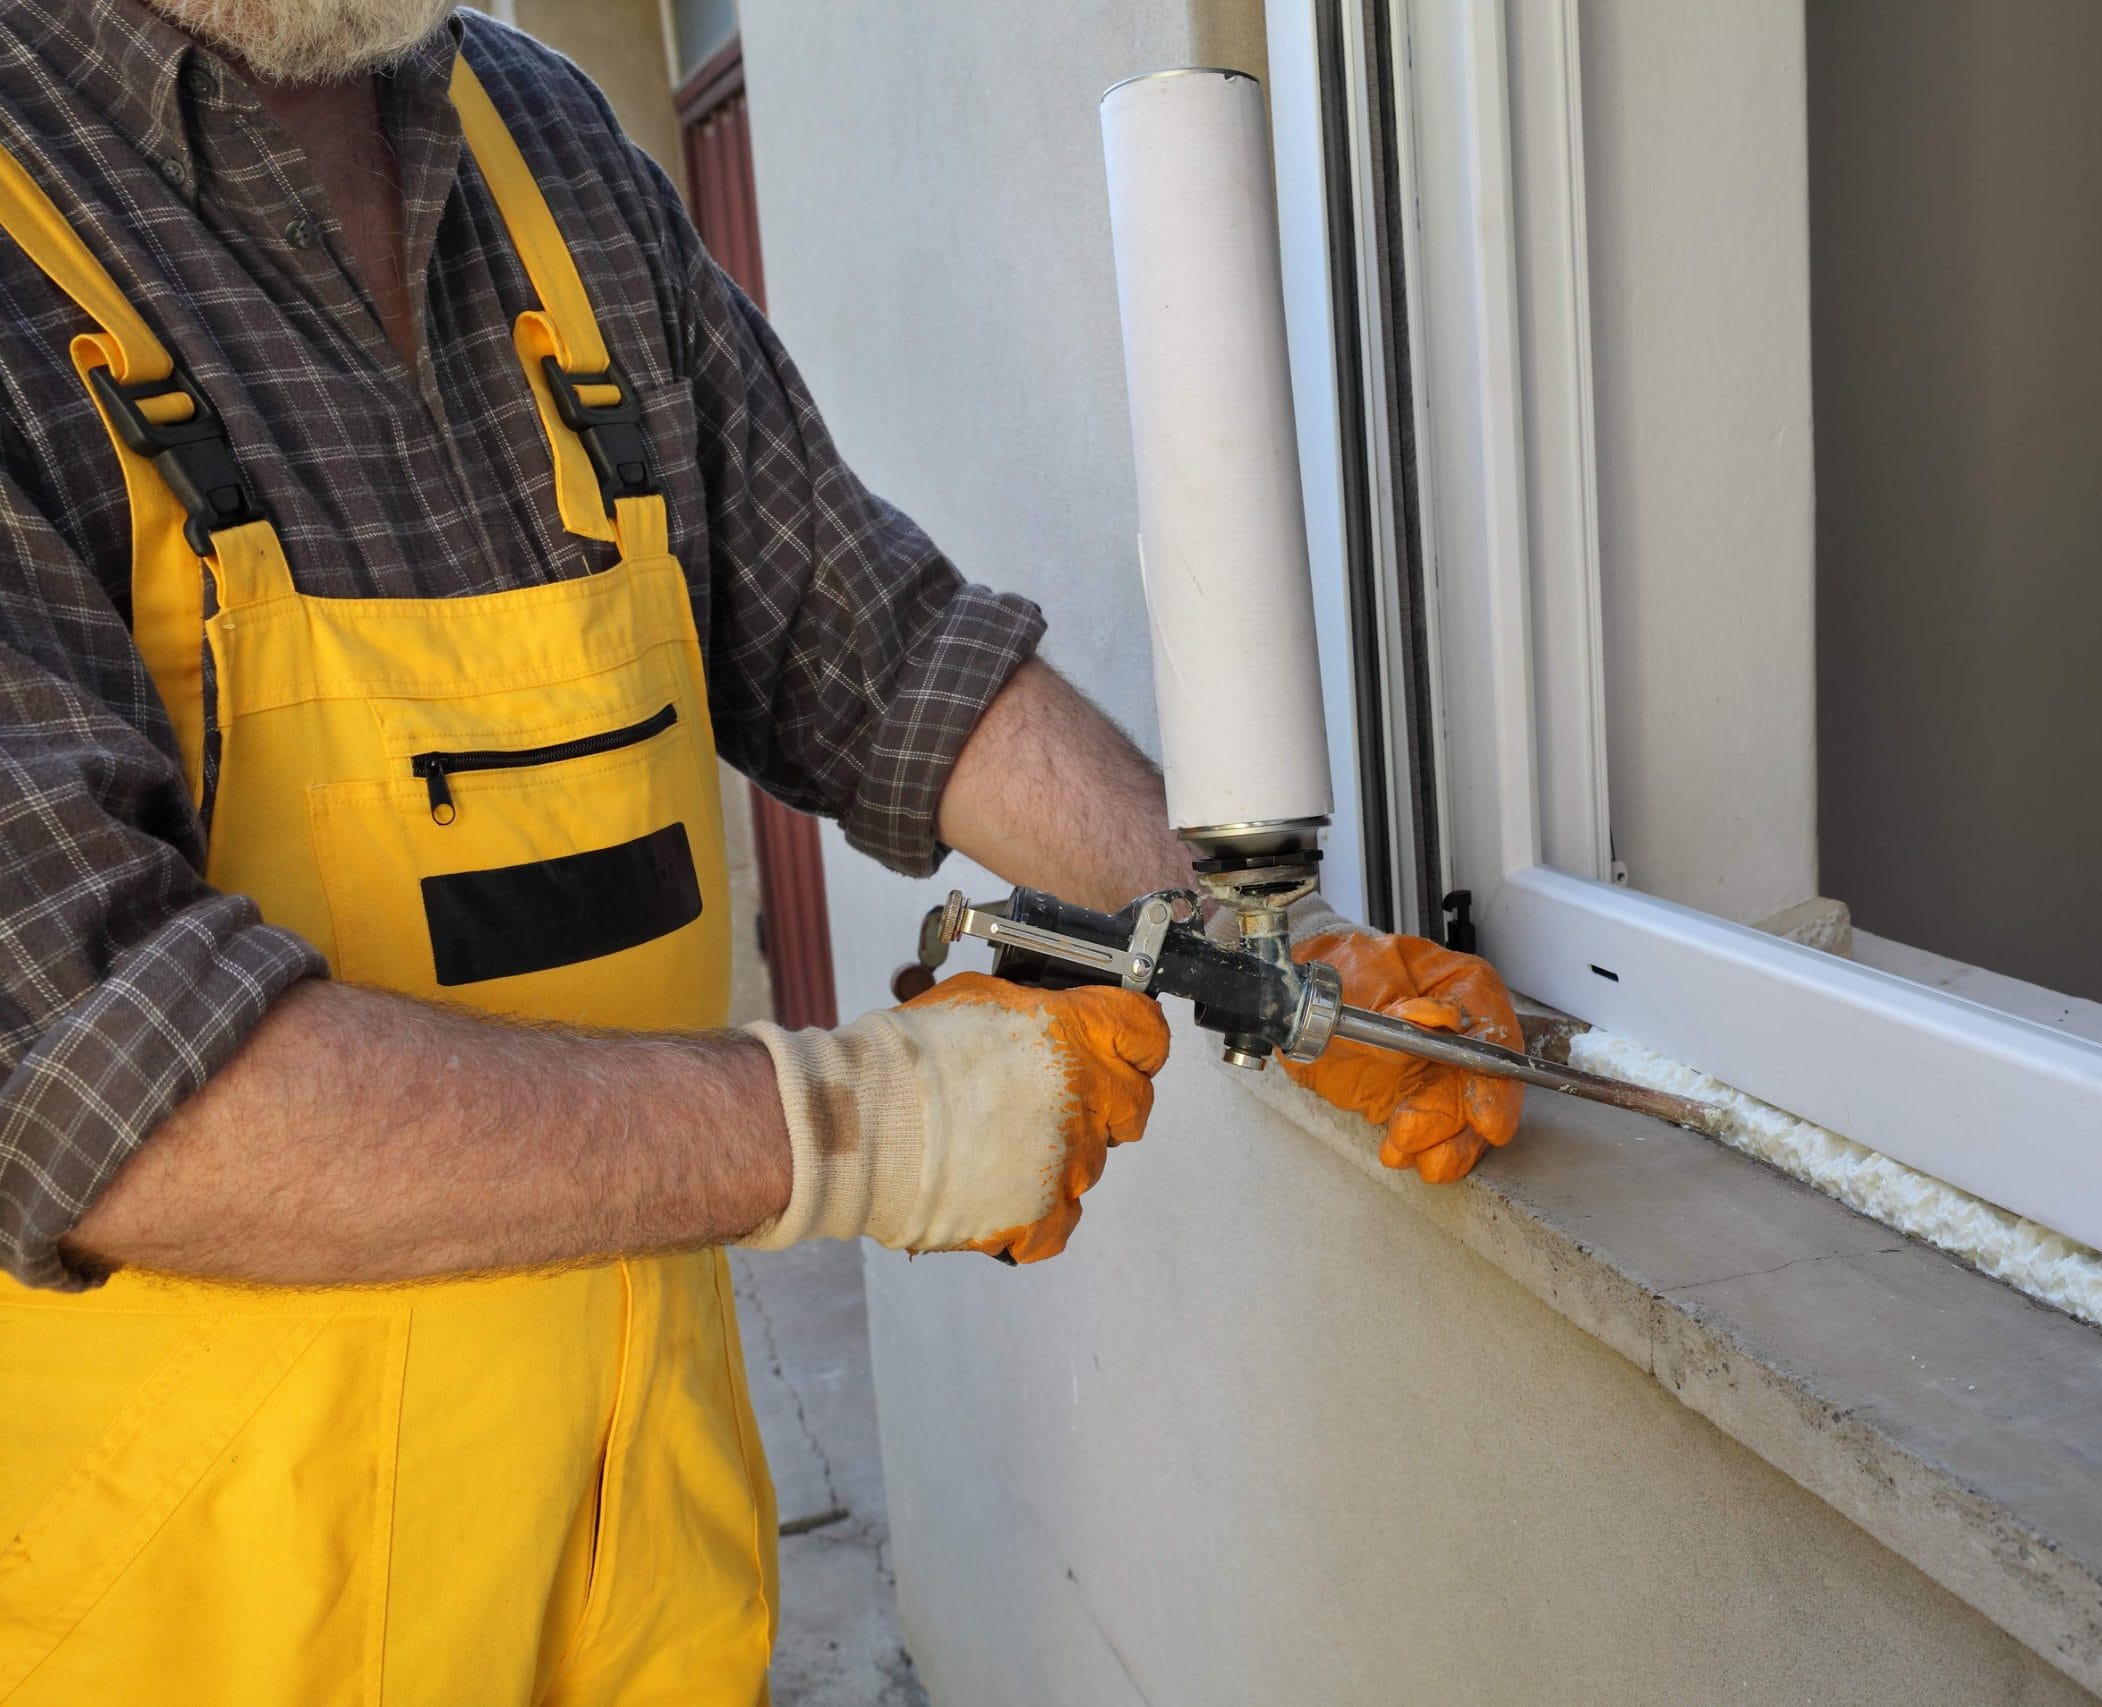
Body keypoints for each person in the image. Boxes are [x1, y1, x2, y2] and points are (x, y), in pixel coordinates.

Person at [0, 1, 1525, 1700]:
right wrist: (886, 1126)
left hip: (635, 1551)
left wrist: (1280, 952)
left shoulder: (543, 149)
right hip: (189, 1612)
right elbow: (101, 1088)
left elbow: (876, 654)